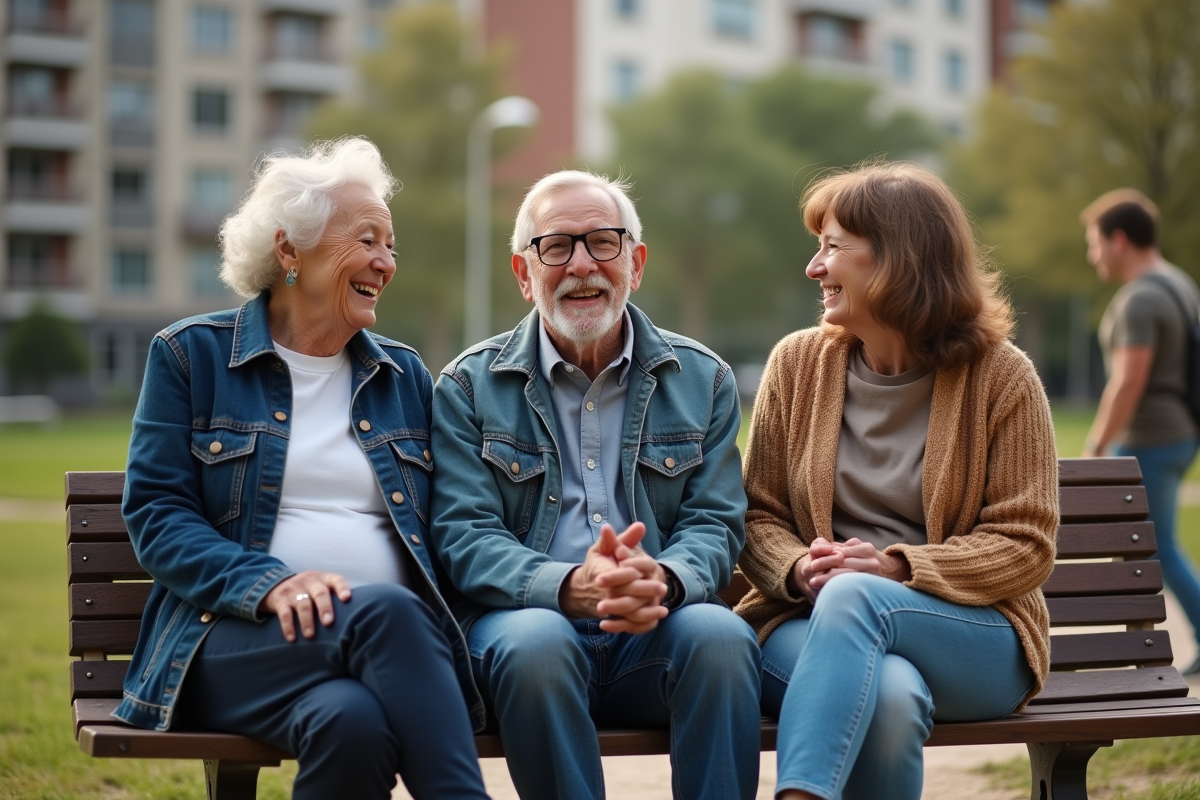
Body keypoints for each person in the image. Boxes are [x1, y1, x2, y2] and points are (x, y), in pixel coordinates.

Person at [116, 138, 491, 800]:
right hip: (230, 642)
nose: (386, 262)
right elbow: (157, 513)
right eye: (368, 240)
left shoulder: (402, 375)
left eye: (392, 246)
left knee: (354, 723)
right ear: (290, 251)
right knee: (390, 615)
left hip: (371, 659)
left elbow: (455, 521)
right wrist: (266, 584)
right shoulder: (190, 356)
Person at [430, 170, 761, 800]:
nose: (581, 266)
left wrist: (659, 580)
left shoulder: (705, 380)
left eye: (603, 243)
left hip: (656, 625)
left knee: (720, 637)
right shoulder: (469, 386)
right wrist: (569, 588)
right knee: (536, 646)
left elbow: (715, 525)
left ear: (634, 263)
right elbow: (463, 534)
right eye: (556, 248)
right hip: (526, 627)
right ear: (523, 275)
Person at [736, 162, 1058, 800]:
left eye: (832, 248)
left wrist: (894, 568)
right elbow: (754, 515)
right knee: (887, 697)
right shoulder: (796, 365)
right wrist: (801, 569)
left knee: (855, 597)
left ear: (897, 262)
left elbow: (1026, 543)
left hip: (974, 637)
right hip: (805, 624)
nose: (813, 267)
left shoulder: (1002, 376)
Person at [1080, 189, 1200, 672]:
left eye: (1094, 243)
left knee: (1148, 546)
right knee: (1147, 544)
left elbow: (1128, 382)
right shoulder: (1178, 282)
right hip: (1179, 431)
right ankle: (1126, 644)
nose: (1092, 256)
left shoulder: (1141, 299)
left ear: (1119, 240)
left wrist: (1097, 444)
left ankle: (1126, 650)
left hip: (1148, 437)